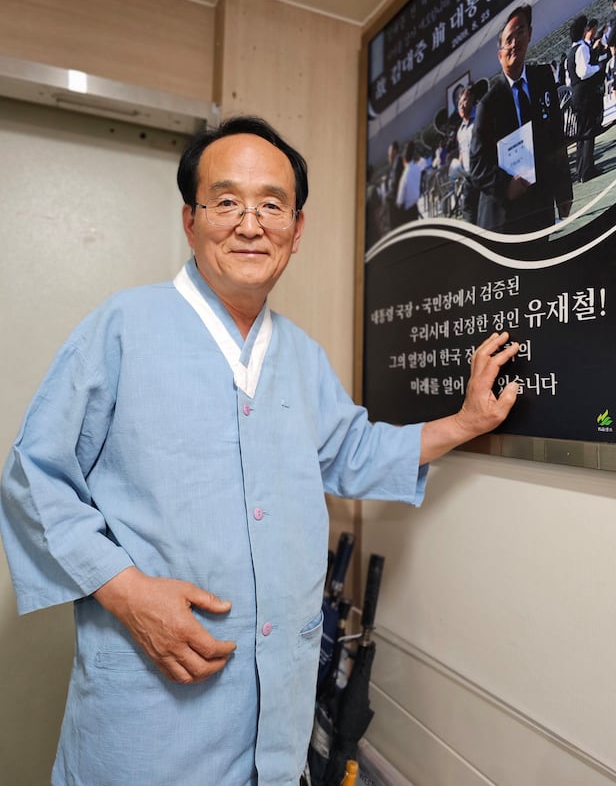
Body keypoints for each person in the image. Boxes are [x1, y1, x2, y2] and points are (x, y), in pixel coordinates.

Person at [0, 115, 520, 786]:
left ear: (296, 231)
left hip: (275, 726)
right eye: (227, 202)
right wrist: (127, 594)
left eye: (272, 206)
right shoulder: (123, 327)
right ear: (191, 220)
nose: (251, 225)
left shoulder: (301, 356)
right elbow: (34, 474)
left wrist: (466, 421)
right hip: (150, 726)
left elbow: (353, 451)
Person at [470, 4, 572, 234]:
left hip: (540, 206)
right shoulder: (489, 104)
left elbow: (556, 137)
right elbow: (477, 167)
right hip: (505, 218)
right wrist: (506, 185)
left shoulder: (543, 78)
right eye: (509, 39)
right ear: (500, 55)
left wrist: (564, 191)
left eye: (521, 32)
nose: (515, 42)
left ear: (530, 34)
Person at [567, 14, 603, 183]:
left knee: (581, 135)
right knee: (588, 132)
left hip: (576, 95)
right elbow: (583, 72)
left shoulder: (571, 52)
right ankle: (588, 170)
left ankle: (581, 169)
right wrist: (598, 67)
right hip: (584, 95)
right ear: (583, 31)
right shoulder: (582, 48)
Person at [449, 86, 479, 223]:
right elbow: (462, 152)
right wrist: (457, 167)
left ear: (472, 100)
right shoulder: (460, 131)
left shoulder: (479, 119)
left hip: (481, 175)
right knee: (468, 215)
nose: (461, 105)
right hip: (468, 179)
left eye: (464, 101)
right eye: (459, 103)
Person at [395, 140, 423, 222]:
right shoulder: (417, 168)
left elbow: (399, 200)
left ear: (404, 159)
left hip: (407, 210)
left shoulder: (405, 174)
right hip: (415, 205)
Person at [383, 139, 404, 231]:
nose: (389, 156)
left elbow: (395, 185)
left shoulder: (398, 163)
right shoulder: (396, 163)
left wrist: (387, 196)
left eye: (389, 153)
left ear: (394, 151)